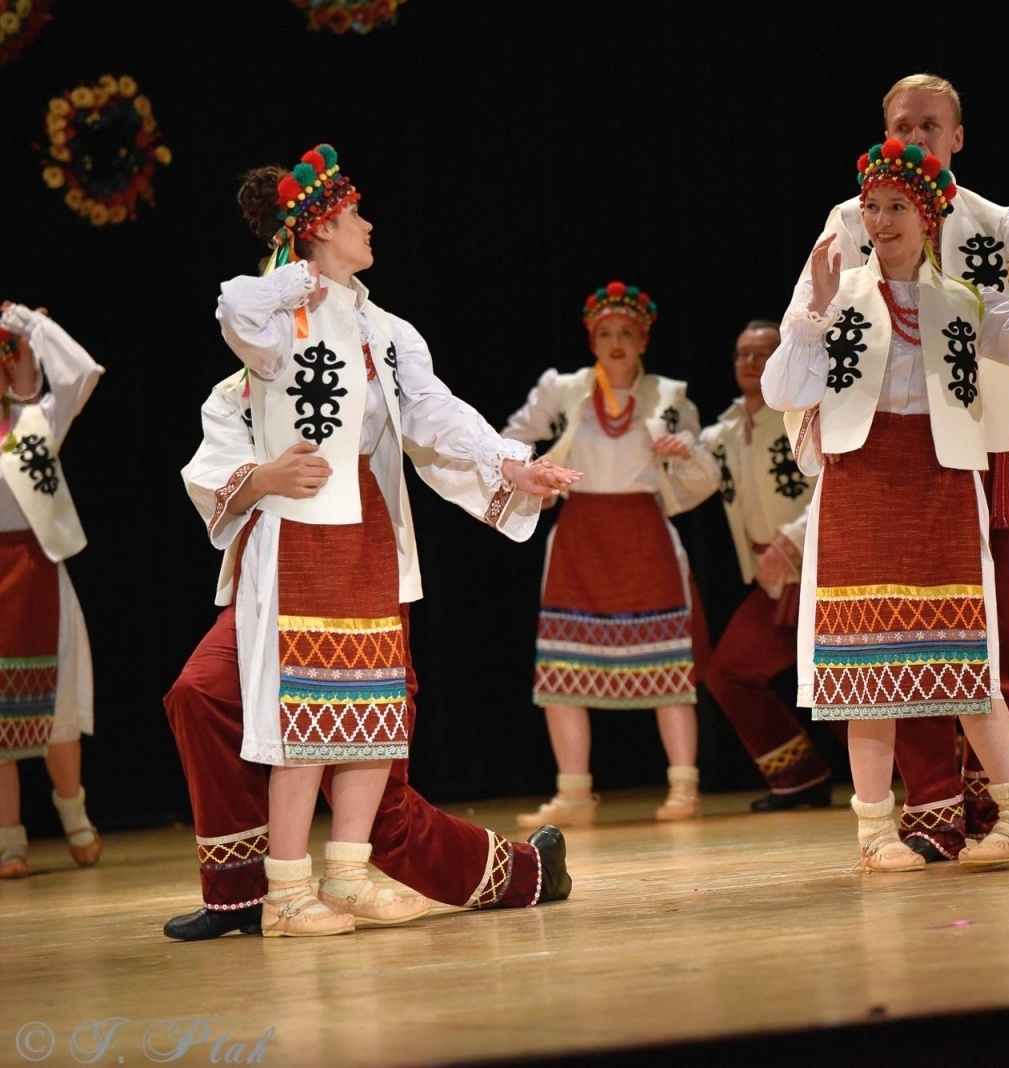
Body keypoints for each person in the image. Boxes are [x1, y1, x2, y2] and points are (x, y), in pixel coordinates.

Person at [214, 143, 580, 936]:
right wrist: (300, 276)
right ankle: (285, 894)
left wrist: (510, 462)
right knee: (301, 716)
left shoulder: (385, 329)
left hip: (369, 532)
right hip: (303, 532)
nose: (370, 224)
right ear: (320, 227)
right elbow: (233, 308)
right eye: (355, 215)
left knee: (371, 708)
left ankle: (347, 874)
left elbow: (434, 412)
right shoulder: (279, 317)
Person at [786, 73, 1009, 860]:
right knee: (873, 652)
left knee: (985, 637)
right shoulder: (845, 232)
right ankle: (922, 809)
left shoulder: (980, 243)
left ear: (957, 137)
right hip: (866, 466)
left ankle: (1003, 804)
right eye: (903, 124)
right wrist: (812, 330)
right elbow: (797, 366)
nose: (916, 137)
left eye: (931, 125)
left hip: (970, 452)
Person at [161, 369, 573, 941]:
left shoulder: (377, 350)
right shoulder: (242, 388)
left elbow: (435, 413)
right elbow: (216, 467)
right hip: (273, 590)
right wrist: (263, 477)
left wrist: (508, 465)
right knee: (202, 693)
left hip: (363, 579)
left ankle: (522, 873)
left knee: (380, 804)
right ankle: (243, 891)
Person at [504, 282, 719, 827]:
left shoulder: (668, 396)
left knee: (669, 669)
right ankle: (574, 793)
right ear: (591, 341)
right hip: (581, 535)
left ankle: (684, 787)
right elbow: (510, 439)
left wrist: (684, 451)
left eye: (627, 333)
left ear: (643, 341)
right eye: (606, 334)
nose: (616, 343)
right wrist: (533, 475)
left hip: (643, 533)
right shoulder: (563, 389)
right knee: (562, 671)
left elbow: (706, 476)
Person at [698, 319, 844, 811]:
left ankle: (935, 774)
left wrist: (792, 541)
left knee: (842, 683)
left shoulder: (805, 411)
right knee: (728, 672)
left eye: (762, 353)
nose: (750, 362)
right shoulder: (725, 429)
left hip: (818, 568)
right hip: (774, 581)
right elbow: (690, 482)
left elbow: (833, 482)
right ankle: (799, 776)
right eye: (742, 354)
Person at [0, 302, 102, 879]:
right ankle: (8, 838)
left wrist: (30, 325)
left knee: (55, 704)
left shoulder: (34, 422)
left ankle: (74, 812)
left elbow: (80, 372)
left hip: (37, 572)